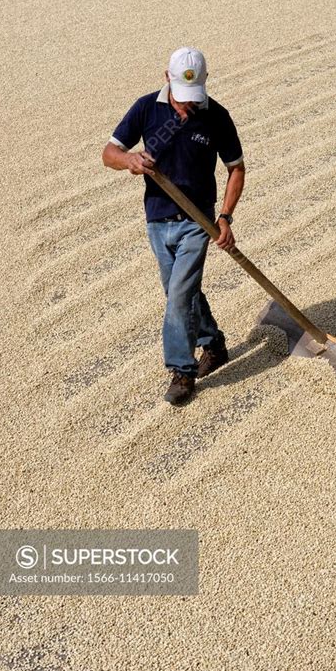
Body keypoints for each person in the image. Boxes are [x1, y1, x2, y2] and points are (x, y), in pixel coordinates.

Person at [102, 47, 245, 405]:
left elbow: (236, 169)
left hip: (198, 221)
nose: (187, 107)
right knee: (180, 292)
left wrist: (225, 216)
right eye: (182, 100)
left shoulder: (217, 117)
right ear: (166, 78)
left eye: (193, 99)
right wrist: (130, 160)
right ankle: (213, 344)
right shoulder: (147, 108)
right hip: (157, 218)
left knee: (180, 294)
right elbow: (109, 153)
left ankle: (182, 371)